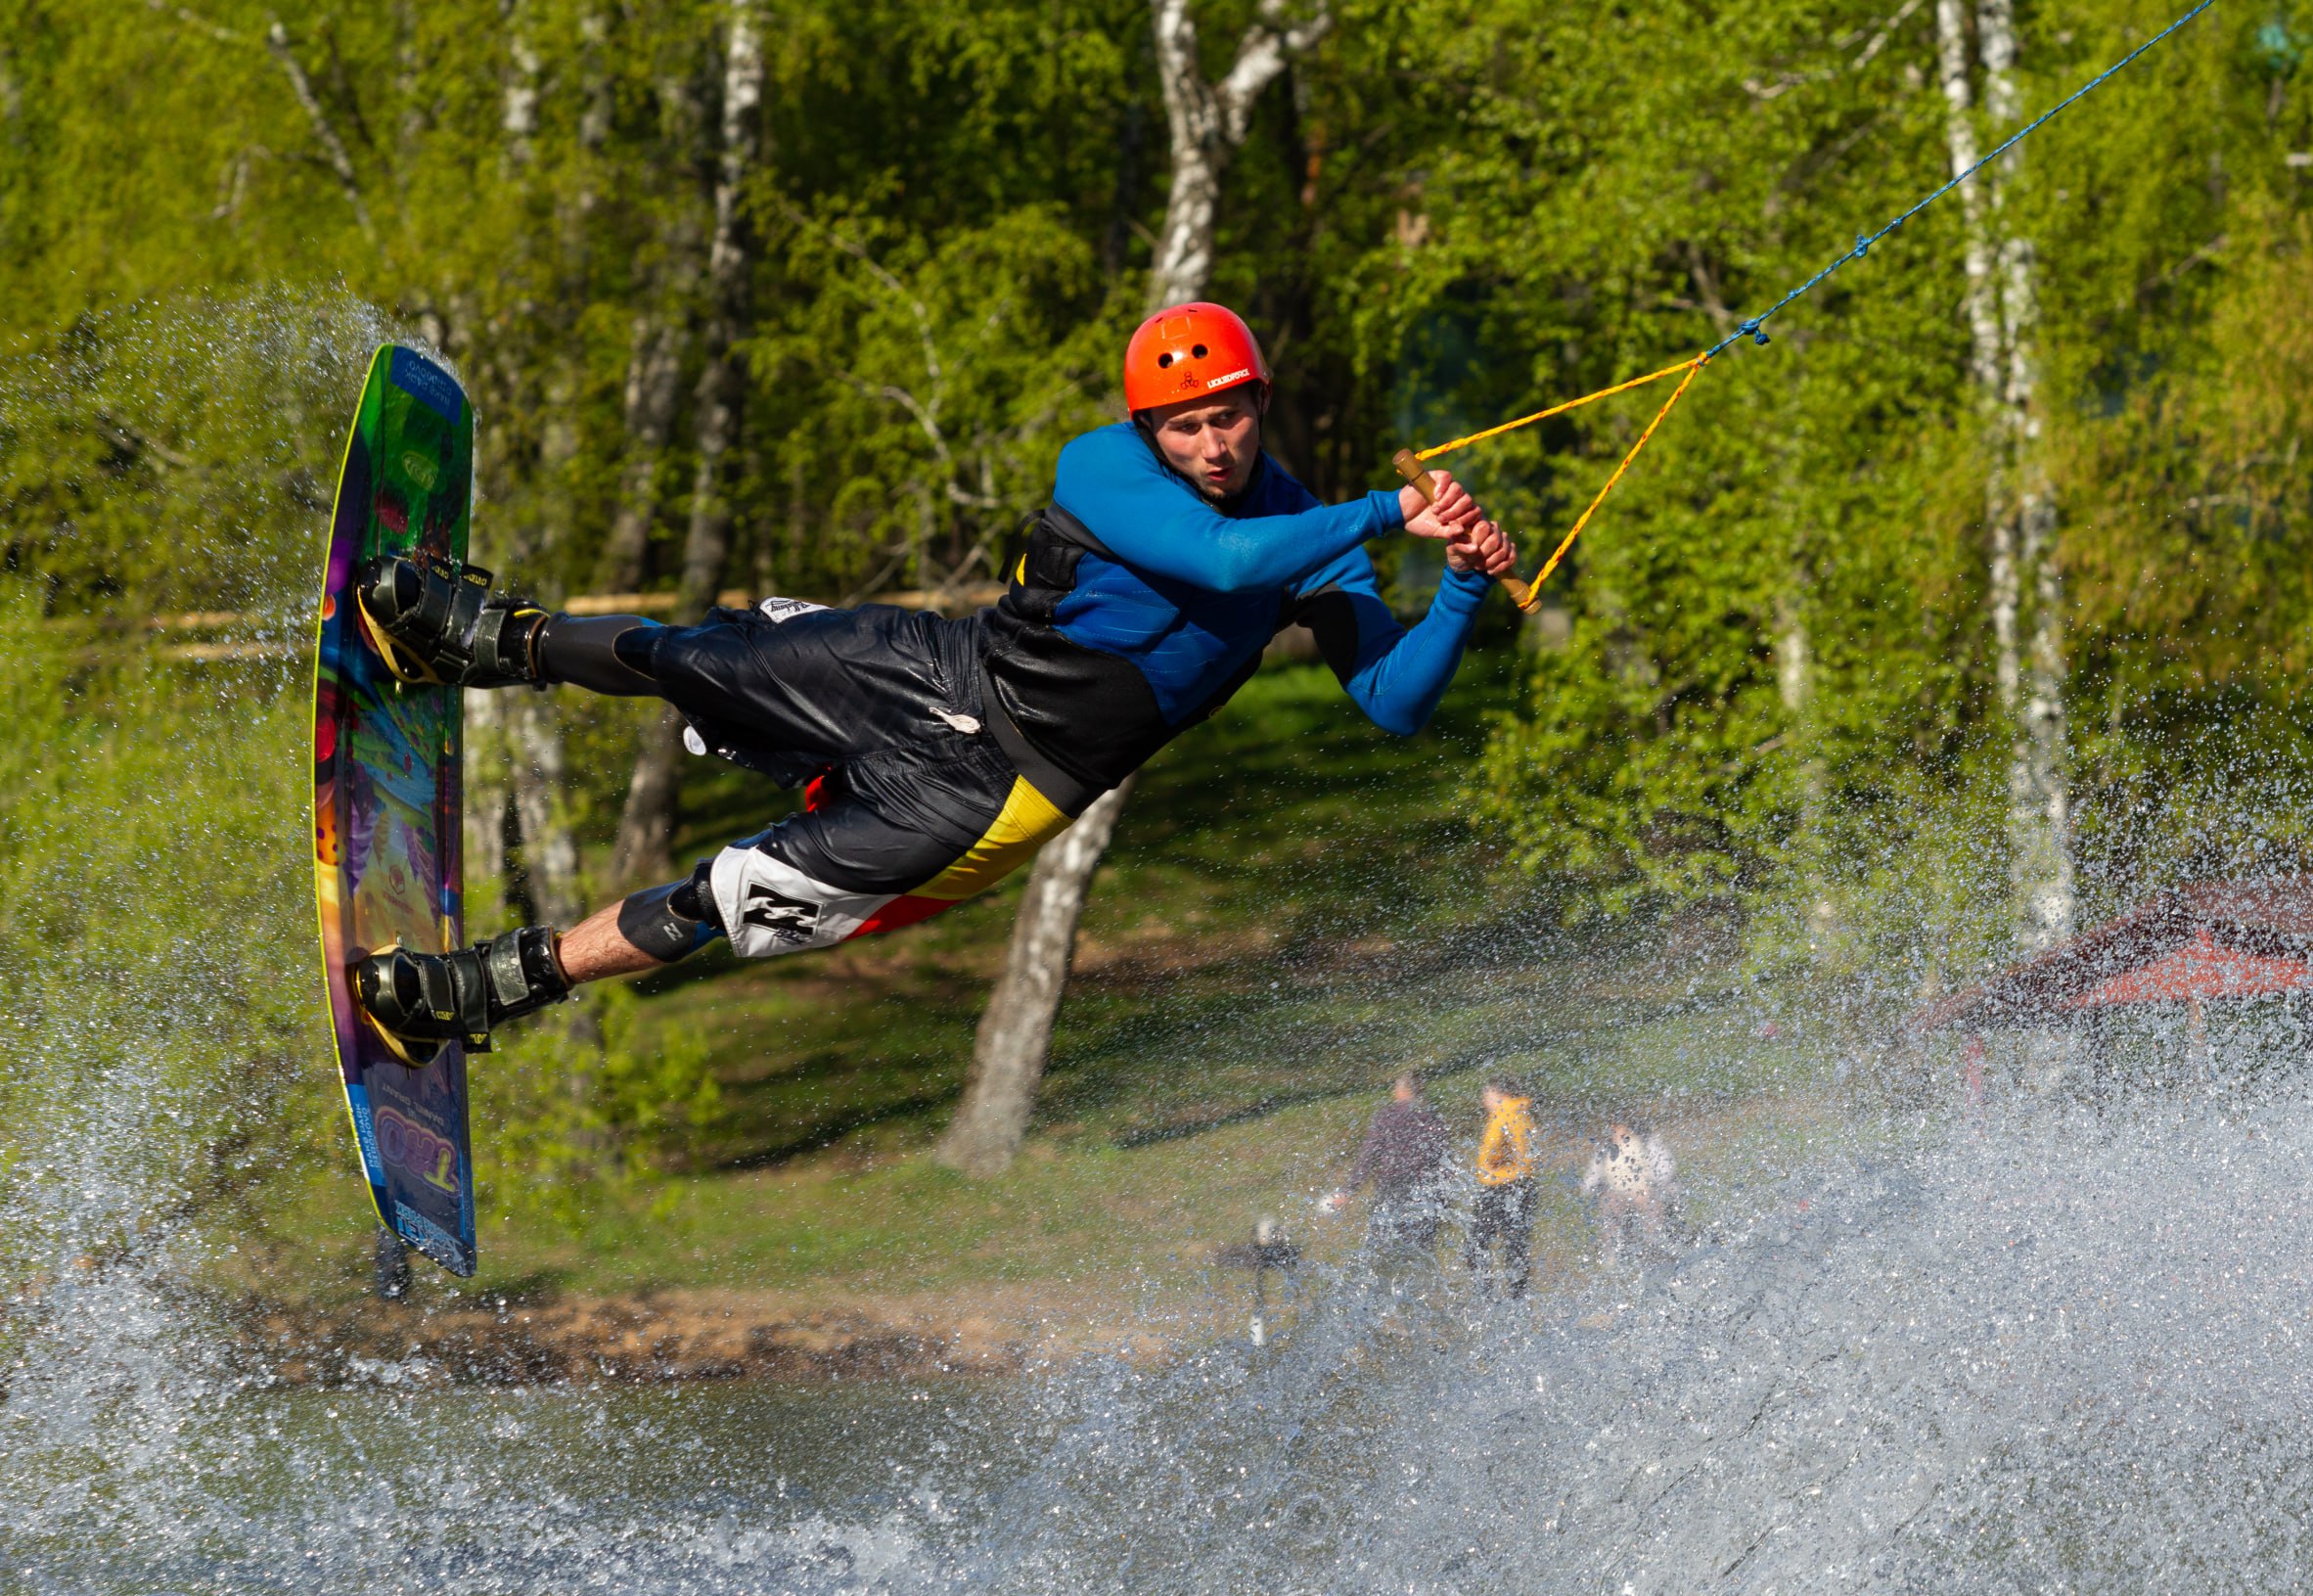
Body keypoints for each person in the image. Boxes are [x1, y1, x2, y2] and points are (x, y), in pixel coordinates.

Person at [341, 303, 1521, 1058]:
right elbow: (1213, 559)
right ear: (1147, 427)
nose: (1212, 445)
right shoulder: (1105, 465)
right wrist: (1379, 508)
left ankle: (482, 989)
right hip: (943, 668)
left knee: (731, 892)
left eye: (1229, 418)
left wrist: (1461, 582)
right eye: (1186, 426)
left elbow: (1394, 703)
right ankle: (489, 640)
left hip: (1001, 791)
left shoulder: (1304, 533)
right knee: (705, 654)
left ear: (1261, 404)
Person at [1320, 1072, 1455, 1255]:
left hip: (1392, 1188)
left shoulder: (1386, 1116)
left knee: (1384, 1247)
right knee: (1422, 1251)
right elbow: (1444, 1159)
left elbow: (1369, 1155)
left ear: (1401, 1090)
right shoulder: (1432, 1117)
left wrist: (1349, 1190)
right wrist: (1445, 1200)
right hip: (1425, 1191)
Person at [1466, 1078, 1537, 1299]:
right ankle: (1518, 1296)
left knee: (1475, 1245)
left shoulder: (1503, 1113)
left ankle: (1486, 1297)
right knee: (1515, 1245)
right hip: (1525, 1184)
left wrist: (1487, 1163)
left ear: (1497, 1094)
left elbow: (1494, 1150)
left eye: (1485, 1096)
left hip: (1500, 1185)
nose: (1483, 1102)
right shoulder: (1522, 1112)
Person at [1579, 1121, 1675, 1264]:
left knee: (1649, 1201)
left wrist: (1652, 1186)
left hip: (1643, 1189)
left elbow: (1665, 1171)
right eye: (1614, 1130)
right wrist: (1596, 1190)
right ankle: (1610, 1252)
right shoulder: (1605, 1148)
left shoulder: (1646, 1141)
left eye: (1619, 1128)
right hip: (1616, 1193)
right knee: (1609, 1202)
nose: (1616, 1132)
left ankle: (1654, 1246)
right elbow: (1590, 1180)